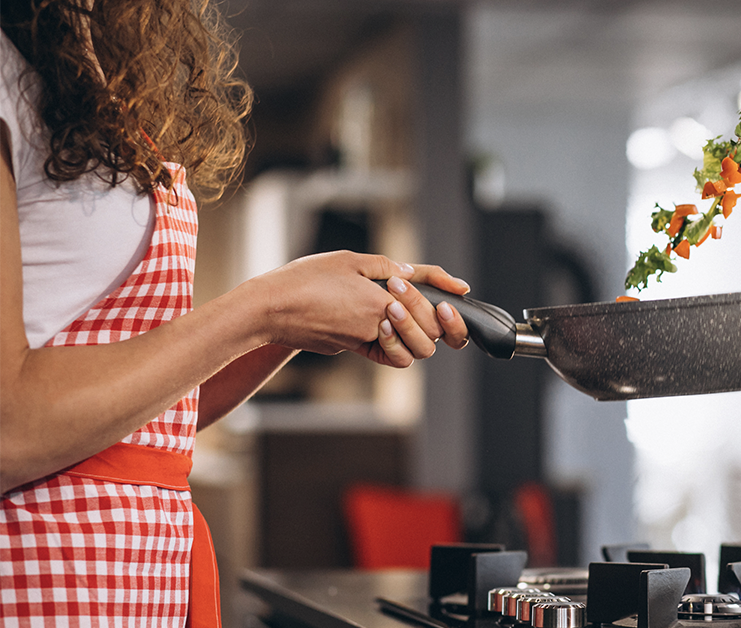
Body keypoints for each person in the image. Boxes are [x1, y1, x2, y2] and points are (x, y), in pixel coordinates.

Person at [0, 0, 470, 624]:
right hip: (42, 571)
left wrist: (296, 328)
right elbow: (10, 427)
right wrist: (268, 307)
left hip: (141, 579)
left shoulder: (80, 75)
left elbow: (152, 416)